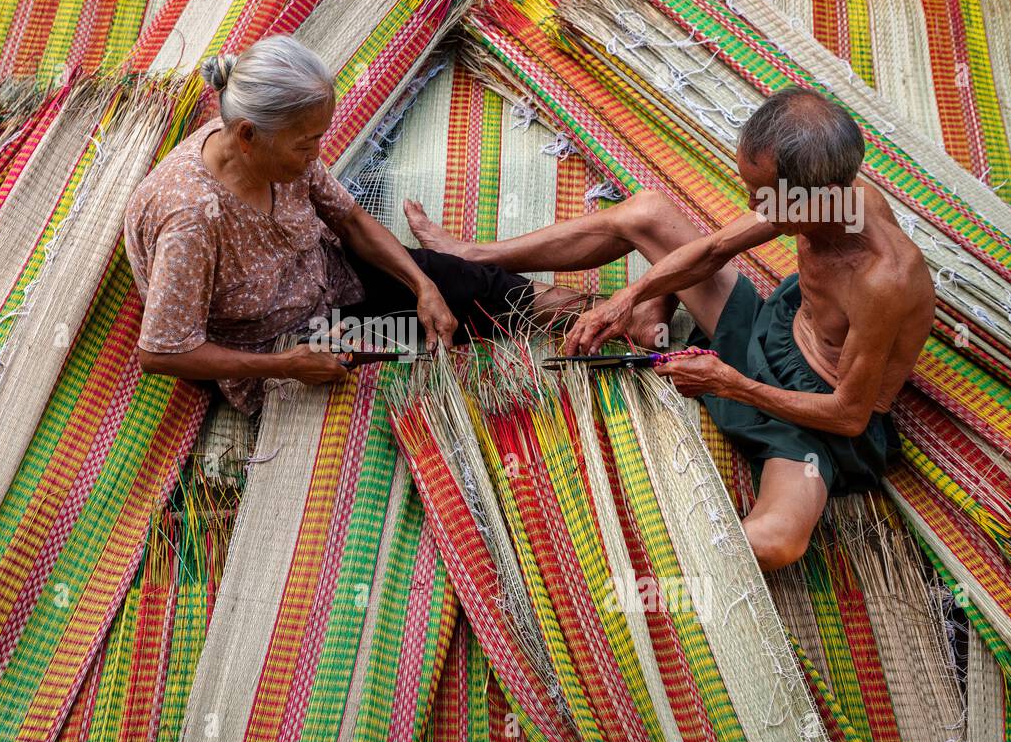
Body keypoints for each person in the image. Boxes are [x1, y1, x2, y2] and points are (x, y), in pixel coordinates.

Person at [405, 87, 935, 571]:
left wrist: (728, 383)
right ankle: (474, 256)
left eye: (761, 195)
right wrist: (626, 297)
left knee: (776, 542)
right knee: (647, 213)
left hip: (814, 419)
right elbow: (713, 250)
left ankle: (628, 566)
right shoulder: (827, 196)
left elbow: (848, 414)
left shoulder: (883, 279)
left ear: (808, 197)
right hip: (772, 333)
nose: (752, 206)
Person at [124, 35, 581, 416]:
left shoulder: (279, 153)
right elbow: (161, 352)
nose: (316, 155)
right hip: (281, 344)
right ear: (246, 135)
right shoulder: (190, 218)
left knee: (462, 284)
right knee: (396, 372)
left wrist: (421, 285)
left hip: (333, 281)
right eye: (306, 143)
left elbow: (351, 220)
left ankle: (600, 313)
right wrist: (288, 364)